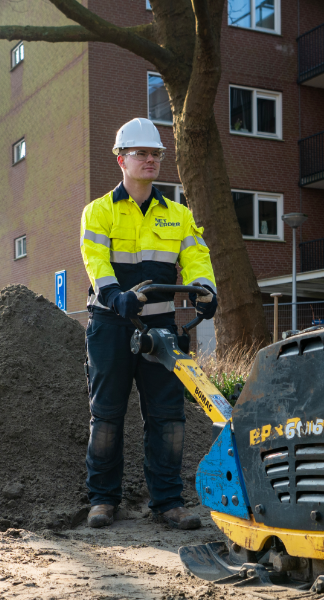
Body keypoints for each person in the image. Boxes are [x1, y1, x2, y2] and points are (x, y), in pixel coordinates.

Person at [80, 117, 217, 529]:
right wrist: (112, 295)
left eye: (156, 153)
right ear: (121, 159)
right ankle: (103, 499)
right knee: (106, 417)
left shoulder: (179, 215)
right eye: (142, 153)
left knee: (169, 418)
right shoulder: (98, 212)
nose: (151, 159)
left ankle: (168, 503)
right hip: (111, 326)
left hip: (164, 331)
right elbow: (95, 260)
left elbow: (196, 258)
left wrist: (206, 290)